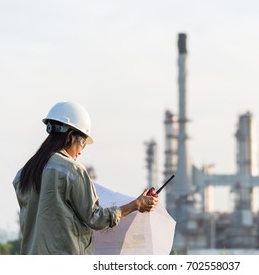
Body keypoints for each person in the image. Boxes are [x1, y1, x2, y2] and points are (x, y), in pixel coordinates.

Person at [12, 101, 158, 255]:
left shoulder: (24, 173)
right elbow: (95, 218)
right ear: (70, 136)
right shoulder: (72, 170)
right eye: (83, 143)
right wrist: (136, 204)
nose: (81, 151)